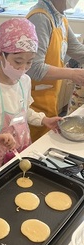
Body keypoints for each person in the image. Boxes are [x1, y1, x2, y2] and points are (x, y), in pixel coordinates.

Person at [0, 18, 61, 182]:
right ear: (1, 54)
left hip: (22, 149)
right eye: (18, 62)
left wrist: (44, 120)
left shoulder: (25, 81)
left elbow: (24, 112)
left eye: (29, 62)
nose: (23, 69)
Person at [26, 0, 84, 141]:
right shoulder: (39, 18)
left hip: (49, 94)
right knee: (34, 143)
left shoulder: (59, 16)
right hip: (34, 100)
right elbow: (34, 68)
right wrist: (72, 74)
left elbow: (76, 49)